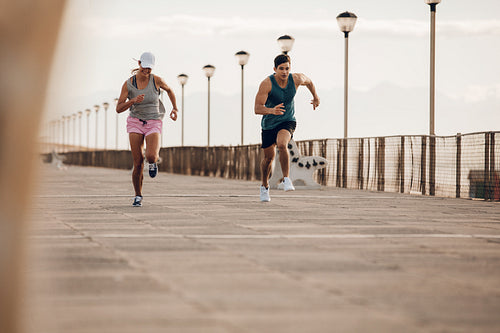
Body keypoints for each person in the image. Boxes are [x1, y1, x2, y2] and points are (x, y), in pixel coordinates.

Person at [254, 54, 320, 202]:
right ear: (275, 69)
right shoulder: (267, 83)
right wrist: (272, 110)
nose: (284, 72)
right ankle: (264, 187)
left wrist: (315, 96)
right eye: (281, 69)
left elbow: (309, 82)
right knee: (268, 159)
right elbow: (257, 108)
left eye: (287, 69)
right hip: (269, 124)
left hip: (287, 120)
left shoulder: (296, 78)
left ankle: (286, 179)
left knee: (283, 144)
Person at [116, 51, 179, 207]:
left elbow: (170, 90)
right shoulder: (128, 84)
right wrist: (133, 100)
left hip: (153, 120)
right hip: (135, 121)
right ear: (139, 64)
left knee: (151, 156)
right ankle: (138, 195)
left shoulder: (156, 80)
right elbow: (118, 108)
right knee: (137, 163)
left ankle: (153, 163)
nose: (147, 71)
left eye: (149, 68)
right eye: (144, 68)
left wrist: (175, 108)